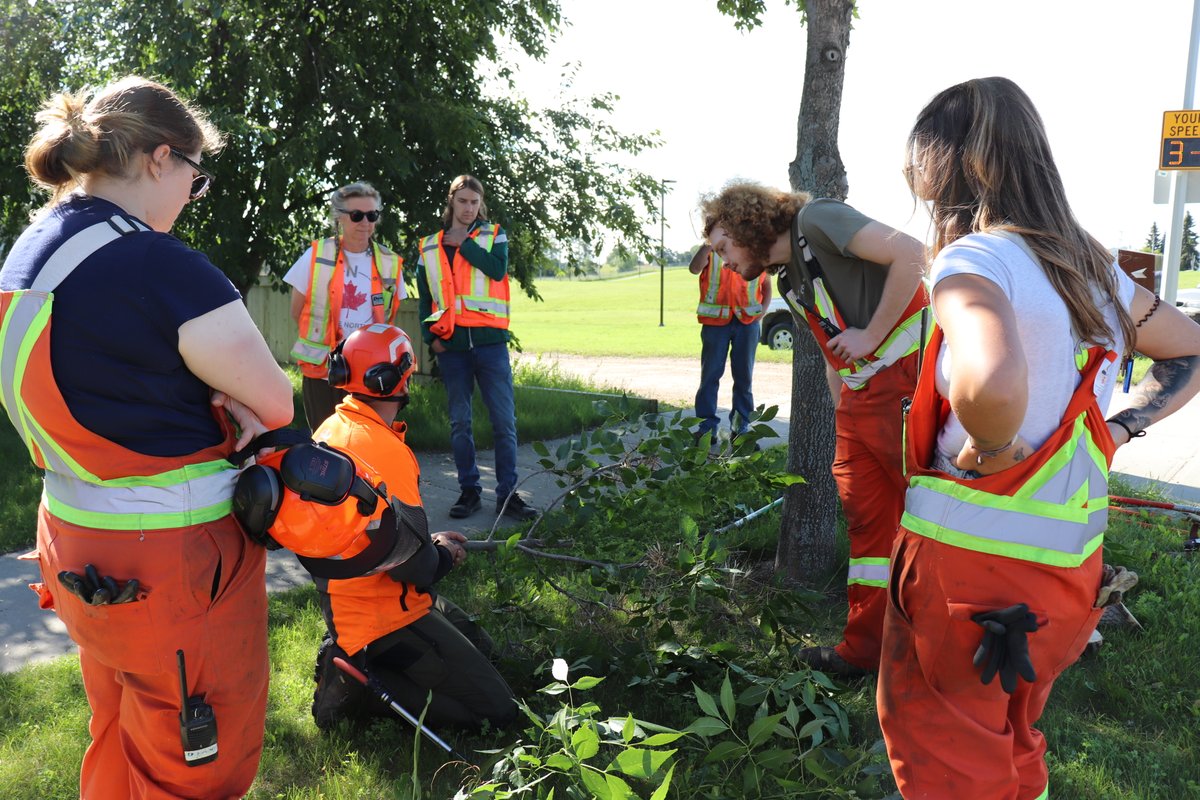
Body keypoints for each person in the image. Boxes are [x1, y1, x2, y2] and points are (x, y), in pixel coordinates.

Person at [877, 76, 1200, 799]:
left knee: (950, 765)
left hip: (968, 586)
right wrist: (1116, 429)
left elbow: (989, 383)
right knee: (1017, 745)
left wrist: (993, 450)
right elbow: (1190, 350)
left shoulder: (975, 261)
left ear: (951, 162)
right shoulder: (1094, 275)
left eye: (917, 165)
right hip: (1061, 585)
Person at [0, 76, 293, 798]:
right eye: (196, 178)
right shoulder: (157, 264)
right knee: (195, 772)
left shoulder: (30, 247)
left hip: (76, 547)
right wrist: (226, 402)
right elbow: (276, 403)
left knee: (119, 740)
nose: (194, 195)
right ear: (163, 159)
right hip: (176, 572)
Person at [700, 182, 927, 678]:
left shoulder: (819, 219)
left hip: (911, 391)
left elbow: (912, 254)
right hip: (861, 408)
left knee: (931, 522)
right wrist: (843, 415)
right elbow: (833, 357)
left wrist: (870, 334)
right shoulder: (787, 281)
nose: (723, 263)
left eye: (723, 248)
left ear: (746, 225)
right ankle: (865, 651)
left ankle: (945, 649)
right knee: (869, 531)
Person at [307, 323, 518, 732]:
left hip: (355, 599)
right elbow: (415, 568)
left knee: (483, 649)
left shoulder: (332, 429)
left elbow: (376, 533)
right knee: (497, 713)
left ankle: (356, 654)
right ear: (400, 378)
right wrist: (442, 555)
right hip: (384, 613)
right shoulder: (384, 450)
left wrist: (428, 539)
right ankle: (362, 684)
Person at [416, 174, 536, 521]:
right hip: (452, 348)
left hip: (490, 345)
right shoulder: (428, 247)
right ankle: (469, 492)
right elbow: (426, 300)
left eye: (474, 202)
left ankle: (508, 495)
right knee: (460, 423)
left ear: (480, 204)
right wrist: (431, 339)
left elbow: (497, 270)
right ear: (451, 202)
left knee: (504, 422)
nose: (469, 208)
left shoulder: (494, 234)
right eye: (463, 201)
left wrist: (463, 243)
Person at [286, 181, 406, 430]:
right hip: (323, 369)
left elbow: (391, 314)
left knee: (367, 443)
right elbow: (296, 311)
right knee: (324, 441)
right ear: (340, 217)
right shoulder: (317, 255)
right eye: (357, 216)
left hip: (371, 372)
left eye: (372, 215)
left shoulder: (390, 263)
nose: (365, 223)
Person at [689, 243, 771, 445]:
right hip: (716, 322)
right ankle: (707, 430)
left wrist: (763, 310)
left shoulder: (756, 247)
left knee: (744, 378)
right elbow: (694, 269)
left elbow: (766, 284)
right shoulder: (712, 248)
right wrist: (707, 246)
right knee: (710, 377)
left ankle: (740, 430)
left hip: (748, 322)